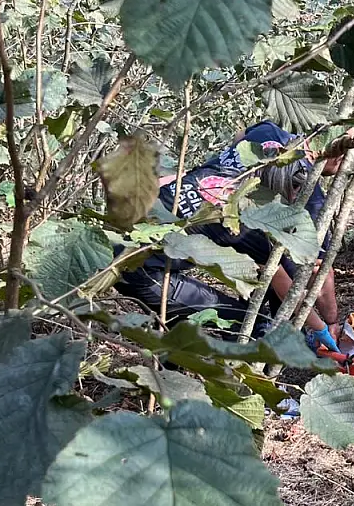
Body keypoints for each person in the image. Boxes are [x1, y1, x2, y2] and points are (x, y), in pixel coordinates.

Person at [115, 120, 339, 353]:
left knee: (179, 320)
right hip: (139, 269)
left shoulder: (238, 167)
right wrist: (321, 329)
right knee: (246, 325)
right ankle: (240, 373)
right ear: (277, 190)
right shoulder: (243, 224)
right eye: (295, 191)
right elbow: (285, 288)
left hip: (128, 237)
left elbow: (239, 136)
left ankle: (169, 372)